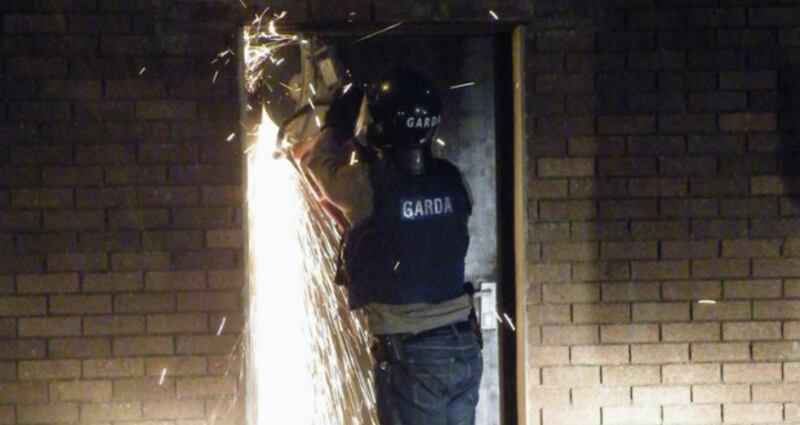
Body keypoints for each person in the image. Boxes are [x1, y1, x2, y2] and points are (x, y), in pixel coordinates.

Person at [292, 68, 483, 425]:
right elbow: (411, 228)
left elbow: (320, 165)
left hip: (413, 353)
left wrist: (335, 127)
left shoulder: (367, 185)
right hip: (463, 348)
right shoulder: (452, 178)